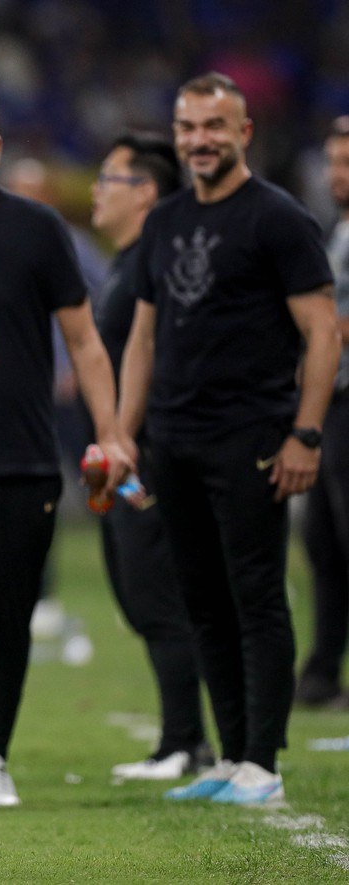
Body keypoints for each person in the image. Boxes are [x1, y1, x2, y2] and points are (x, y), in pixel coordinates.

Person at [118, 72, 340, 805]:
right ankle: (229, 756)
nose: (199, 140)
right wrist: (126, 431)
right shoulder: (167, 219)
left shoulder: (278, 218)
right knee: (202, 600)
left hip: (251, 434)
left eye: (214, 126)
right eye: (187, 127)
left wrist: (305, 433)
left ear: (243, 133)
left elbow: (322, 332)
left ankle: (264, 763)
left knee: (256, 595)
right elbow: (145, 336)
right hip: (173, 440)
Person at [0, 83, 133, 807]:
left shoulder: (40, 230)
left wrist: (109, 433)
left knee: (7, 616)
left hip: (20, 455)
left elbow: (86, 342)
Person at [89, 132, 213, 779]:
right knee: (140, 596)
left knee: (159, 593)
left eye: (108, 179)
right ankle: (182, 738)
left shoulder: (155, 261)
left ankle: (185, 741)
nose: (94, 191)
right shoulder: (127, 260)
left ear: (145, 192)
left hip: (148, 453)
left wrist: (131, 438)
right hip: (119, 454)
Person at [294, 115, 349, 709]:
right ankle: (322, 673)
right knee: (324, 543)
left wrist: (315, 332)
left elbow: (330, 325)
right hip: (332, 405)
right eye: (333, 162)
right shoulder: (338, 230)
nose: (338, 175)